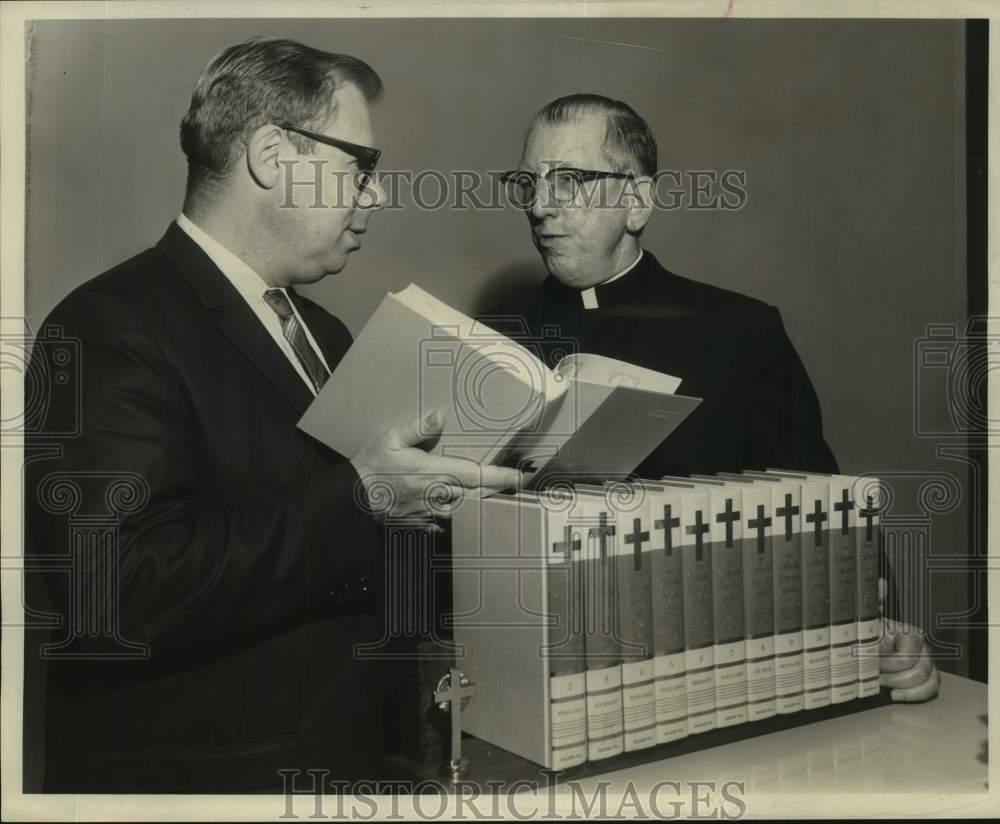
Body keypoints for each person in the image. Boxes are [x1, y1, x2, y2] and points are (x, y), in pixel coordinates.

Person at [23, 36, 520, 794]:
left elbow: (338, 554)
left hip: (351, 764)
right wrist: (366, 497)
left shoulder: (324, 333)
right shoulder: (106, 326)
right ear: (270, 154)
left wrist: (462, 509)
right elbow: (114, 593)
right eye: (362, 165)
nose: (377, 195)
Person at [492, 93, 939, 703]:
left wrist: (884, 633)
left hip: (708, 673)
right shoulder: (494, 345)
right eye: (530, 182)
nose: (541, 206)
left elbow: (825, 513)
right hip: (533, 668)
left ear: (638, 201)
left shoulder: (738, 333)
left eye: (570, 181)